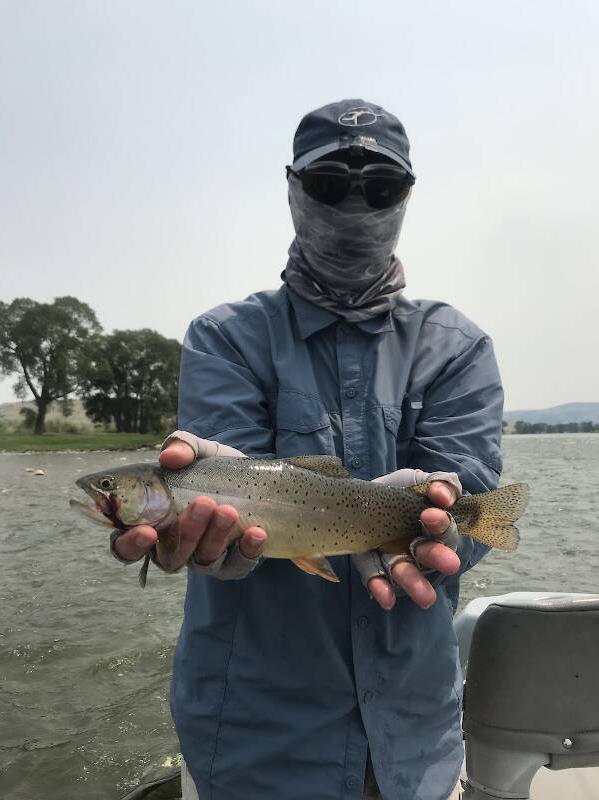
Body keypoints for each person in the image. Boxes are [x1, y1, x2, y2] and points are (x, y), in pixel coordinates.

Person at [112, 100, 503, 800]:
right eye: (329, 186)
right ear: (293, 189)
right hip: (257, 742)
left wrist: (438, 520)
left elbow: (465, 498)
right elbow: (225, 506)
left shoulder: (458, 346)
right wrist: (217, 541)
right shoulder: (225, 337)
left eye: (379, 188)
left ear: (406, 197)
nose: (355, 205)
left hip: (414, 738)